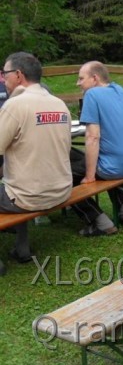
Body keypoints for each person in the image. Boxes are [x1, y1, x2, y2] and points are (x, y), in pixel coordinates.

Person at [0, 52, 72, 267]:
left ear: (19, 75)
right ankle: (22, 249)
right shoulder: (59, 104)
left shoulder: (15, 106)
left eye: (5, 74)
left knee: (15, 189)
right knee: (16, 183)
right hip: (60, 191)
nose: (3, 79)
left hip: (29, 196)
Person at [70, 61, 123, 236]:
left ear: (95, 78)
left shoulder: (92, 94)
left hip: (115, 168)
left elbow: (92, 137)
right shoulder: (120, 90)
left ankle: (100, 221)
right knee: (97, 159)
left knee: (63, 175)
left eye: (81, 78)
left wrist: (89, 176)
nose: (78, 83)